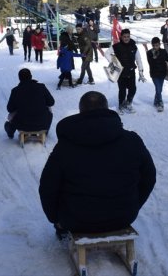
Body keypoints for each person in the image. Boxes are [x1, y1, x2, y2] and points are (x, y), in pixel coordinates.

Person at [38, 91, 156, 237]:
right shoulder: (132, 141)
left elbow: (47, 187)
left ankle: (62, 230)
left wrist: (55, 218)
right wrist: (134, 204)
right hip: (123, 217)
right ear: (107, 110)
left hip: (76, 220)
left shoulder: (65, 147)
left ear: (81, 112)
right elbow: (149, 177)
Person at [5, 69, 55, 138]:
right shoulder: (41, 87)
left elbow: (10, 109)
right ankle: (45, 131)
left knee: (13, 113)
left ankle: (10, 129)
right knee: (49, 109)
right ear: (31, 76)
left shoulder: (15, 90)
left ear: (19, 78)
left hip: (22, 125)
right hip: (42, 123)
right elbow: (51, 102)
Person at [111, 28, 146, 113]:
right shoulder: (116, 46)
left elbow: (138, 59)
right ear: (121, 37)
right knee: (122, 90)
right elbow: (107, 54)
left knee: (133, 89)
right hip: (121, 73)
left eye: (128, 36)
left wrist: (141, 72)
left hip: (131, 71)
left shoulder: (133, 46)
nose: (126, 38)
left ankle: (128, 103)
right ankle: (121, 105)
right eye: (124, 37)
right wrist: (114, 63)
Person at [146, 37, 168, 112]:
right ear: (152, 45)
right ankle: (160, 102)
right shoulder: (149, 53)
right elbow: (150, 63)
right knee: (158, 88)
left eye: (157, 45)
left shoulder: (163, 51)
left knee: (160, 89)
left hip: (162, 73)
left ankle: (156, 100)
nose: (156, 47)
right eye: (154, 45)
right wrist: (154, 56)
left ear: (159, 44)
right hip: (154, 74)